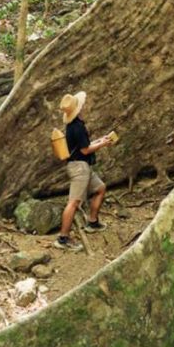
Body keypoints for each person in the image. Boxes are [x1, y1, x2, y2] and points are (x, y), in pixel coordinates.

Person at [55, 91, 114, 251]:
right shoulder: (77, 127)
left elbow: (83, 146)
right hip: (79, 168)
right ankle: (63, 238)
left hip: (83, 166)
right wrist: (103, 144)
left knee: (100, 188)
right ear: (79, 109)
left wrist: (100, 140)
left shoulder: (74, 125)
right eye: (82, 105)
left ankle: (92, 222)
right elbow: (86, 150)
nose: (85, 107)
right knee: (74, 202)